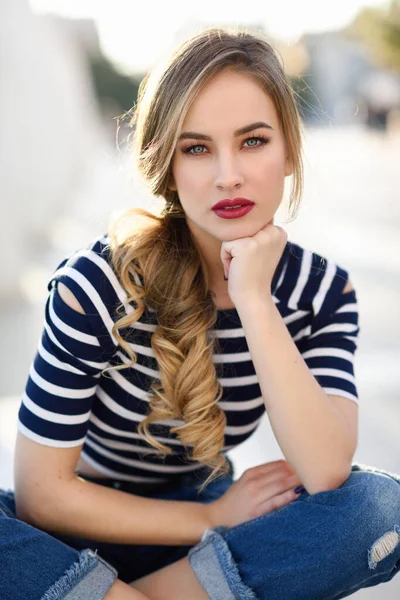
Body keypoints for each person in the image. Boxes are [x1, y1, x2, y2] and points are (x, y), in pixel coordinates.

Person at [6, 26, 400, 600]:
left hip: (205, 537)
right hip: (76, 527)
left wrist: (255, 300)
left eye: (253, 140)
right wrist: (212, 517)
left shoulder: (322, 293)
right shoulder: (95, 285)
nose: (227, 175)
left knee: (379, 511)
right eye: (196, 148)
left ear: (289, 149)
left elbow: (325, 474)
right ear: (168, 166)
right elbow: (43, 496)